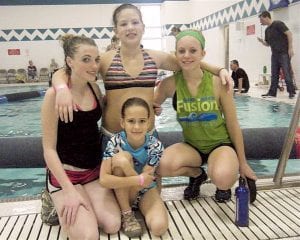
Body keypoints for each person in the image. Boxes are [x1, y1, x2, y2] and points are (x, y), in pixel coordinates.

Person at [52, 4, 231, 138]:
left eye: (135, 22)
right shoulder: (105, 59)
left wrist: (220, 69)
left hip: (148, 137)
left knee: (152, 187)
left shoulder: (154, 58)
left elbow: (189, 61)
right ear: (116, 31)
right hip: (113, 136)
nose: (130, 27)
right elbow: (68, 70)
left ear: (143, 27)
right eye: (123, 24)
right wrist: (61, 88)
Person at [154, 29, 257, 202]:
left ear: (203, 54)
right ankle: (197, 174)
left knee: (223, 178)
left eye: (193, 51)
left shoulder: (218, 83)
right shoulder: (169, 85)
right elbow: (146, 109)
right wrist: (154, 109)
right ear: (175, 54)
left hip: (220, 145)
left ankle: (221, 181)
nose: (186, 56)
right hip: (192, 146)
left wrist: (243, 163)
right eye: (181, 51)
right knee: (160, 165)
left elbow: (232, 124)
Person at [41, 34, 121, 239]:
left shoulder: (93, 87)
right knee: (88, 235)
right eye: (85, 59)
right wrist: (69, 191)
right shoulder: (54, 96)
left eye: (96, 60)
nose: (94, 66)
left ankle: (82, 199)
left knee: (112, 224)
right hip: (66, 176)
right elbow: (48, 149)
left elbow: (109, 110)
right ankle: (51, 196)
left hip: (92, 171)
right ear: (69, 61)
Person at [100, 97, 168, 238]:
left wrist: (136, 178)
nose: (136, 127)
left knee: (159, 227)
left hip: (143, 192)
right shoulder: (115, 142)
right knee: (122, 158)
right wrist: (127, 167)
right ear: (122, 122)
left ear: (148, 122)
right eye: (131, 121)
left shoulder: (155, 146)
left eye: (142, 121)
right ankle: (127, 213)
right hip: (121, 193)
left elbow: (144, 184)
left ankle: (139, 209)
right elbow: (104, 179)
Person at [257, 11, 295, 99]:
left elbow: (289, 34)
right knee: (274, 74)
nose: (260, 22)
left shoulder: (278, 24)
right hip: (274, 54)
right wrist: (262, 42)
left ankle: (291, 92)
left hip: (284, 53)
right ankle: (272, 93)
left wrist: (290, 48)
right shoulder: (267, 30)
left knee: (286, 73)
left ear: (266, 17)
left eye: (261, 19)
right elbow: (268, 44)